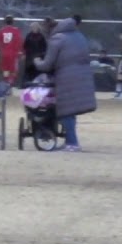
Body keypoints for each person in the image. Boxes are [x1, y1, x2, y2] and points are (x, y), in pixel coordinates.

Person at [35, 17, 97, 152]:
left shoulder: (57, 39)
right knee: (71, 111)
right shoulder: (78, 35)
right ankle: (70, 140)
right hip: (84, 75)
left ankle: (72, 143)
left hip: (67, 77)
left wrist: (36, 61)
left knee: (65, 112)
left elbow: (46, 65)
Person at [0, 15, 24, 87]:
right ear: (13, 22)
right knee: (13, 70)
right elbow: (20, 42)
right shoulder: (16, 31)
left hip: (4, 53)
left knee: (5, 69)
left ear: (4, 22)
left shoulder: (1, 31)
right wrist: (21, 51)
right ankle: (10, 84)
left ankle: (6, 84)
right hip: (13, 53)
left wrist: (0, 50)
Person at [21, 20, 50, 85]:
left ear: (37, 28)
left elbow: (44, 48)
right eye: (32, 27)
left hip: (38, 57)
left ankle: (36, 85)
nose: (33, 29)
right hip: (29, 57)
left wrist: (41, 56)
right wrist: (24, 54)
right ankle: (26, 85)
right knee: (28, 72)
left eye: (35, 27)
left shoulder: (41, 36)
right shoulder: (28, 35)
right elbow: (25, 46)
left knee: (37, 72)